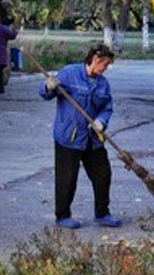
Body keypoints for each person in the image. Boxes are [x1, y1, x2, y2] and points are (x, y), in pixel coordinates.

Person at [39, 43, 121, 229]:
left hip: (92, 138)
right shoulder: (69, 73)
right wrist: (48, 86)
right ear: (95, 60)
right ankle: (62, 216)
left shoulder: (103, 84)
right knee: (67, 178)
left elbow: (107, 107)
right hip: (69, 136)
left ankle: (102, 213)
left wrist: (101, 121)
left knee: (103, 174)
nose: (105, 69)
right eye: (105, 64)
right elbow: (45, 94)